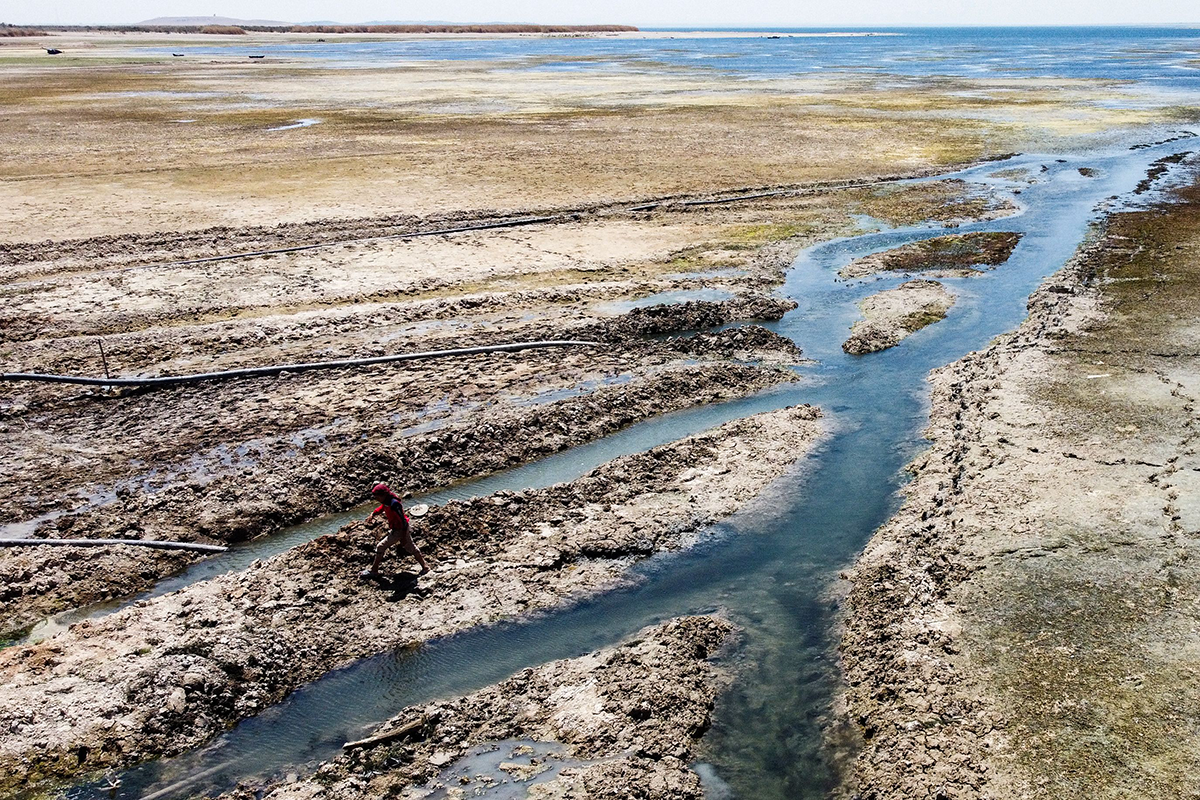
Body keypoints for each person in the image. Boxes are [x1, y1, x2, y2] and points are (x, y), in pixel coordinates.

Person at [362, 482, 430, 578]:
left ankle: (374, 570)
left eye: (377, 497)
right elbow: (382, 508)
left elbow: (403, 520)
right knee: (410, 547)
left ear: (384, 495)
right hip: (396, 529)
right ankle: (425, 567)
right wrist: (373, 514)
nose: (377, 500)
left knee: (381, 546)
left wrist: (403, 536)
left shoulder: (394, 504)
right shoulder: (386, 501)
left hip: (400, 529)